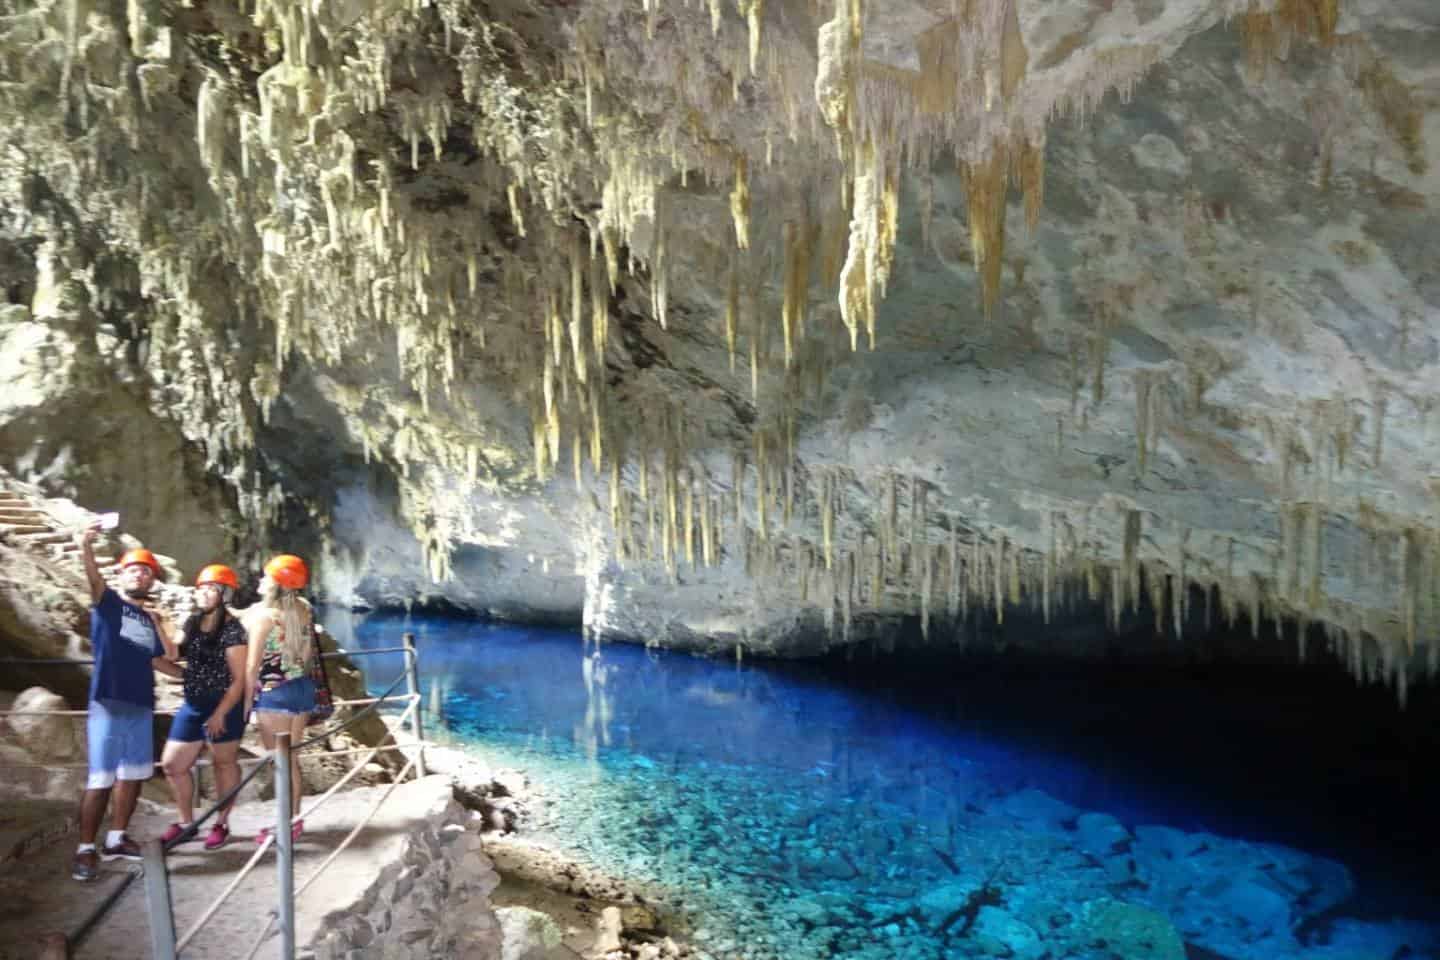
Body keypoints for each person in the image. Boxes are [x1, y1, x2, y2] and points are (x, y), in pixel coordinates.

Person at [72, 526, 182, 882]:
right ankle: (86, 848)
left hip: (141, 703)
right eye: (134, 568)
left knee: (133, 775)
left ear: (152, 581)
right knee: (100, 778)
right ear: (121, 574)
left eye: (147, 570)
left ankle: (116, 839)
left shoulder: (146, 620)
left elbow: (158, 661)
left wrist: (194, 678)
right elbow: (92, 577)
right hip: (108, 700)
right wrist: (84, 544)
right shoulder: (107, 602)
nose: (140, 573)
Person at [158, 564, 249, 851]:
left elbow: (239, 679)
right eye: (202, 587)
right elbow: (173, 653)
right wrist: (159, 622)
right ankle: (186, 822)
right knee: (173, 764)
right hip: (194, 702)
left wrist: (220, 713)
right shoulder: (193, 622)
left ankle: (221, 822)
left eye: (211, 588)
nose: (204, 593)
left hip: (225, 704)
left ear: (224, 594)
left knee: (223, 763)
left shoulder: (233, 629)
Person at [243, 554, 316, 844]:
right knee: (292, 760)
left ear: (276, 584)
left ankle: (283, 825)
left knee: (280, 764)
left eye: (266, 577)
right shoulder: (303, 610)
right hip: (301, 688)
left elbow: (251, 665)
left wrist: (247, 703)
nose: (261, 581)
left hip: (274, 695)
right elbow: (307, 655)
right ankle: (294, 821)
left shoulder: (265, 618)